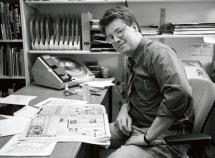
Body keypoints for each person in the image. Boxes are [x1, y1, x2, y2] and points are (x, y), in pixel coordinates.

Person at [99, 6, 194, 158]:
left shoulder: (158, 53)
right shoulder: (132, 57)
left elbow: (180, 92)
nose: (115, 40)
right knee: (88, 137)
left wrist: (147, 137)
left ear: (135, 27)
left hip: (164, 134)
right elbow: (130, 92)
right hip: (134, 126)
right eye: (110, 37)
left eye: (119, 31)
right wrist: (124, 110)